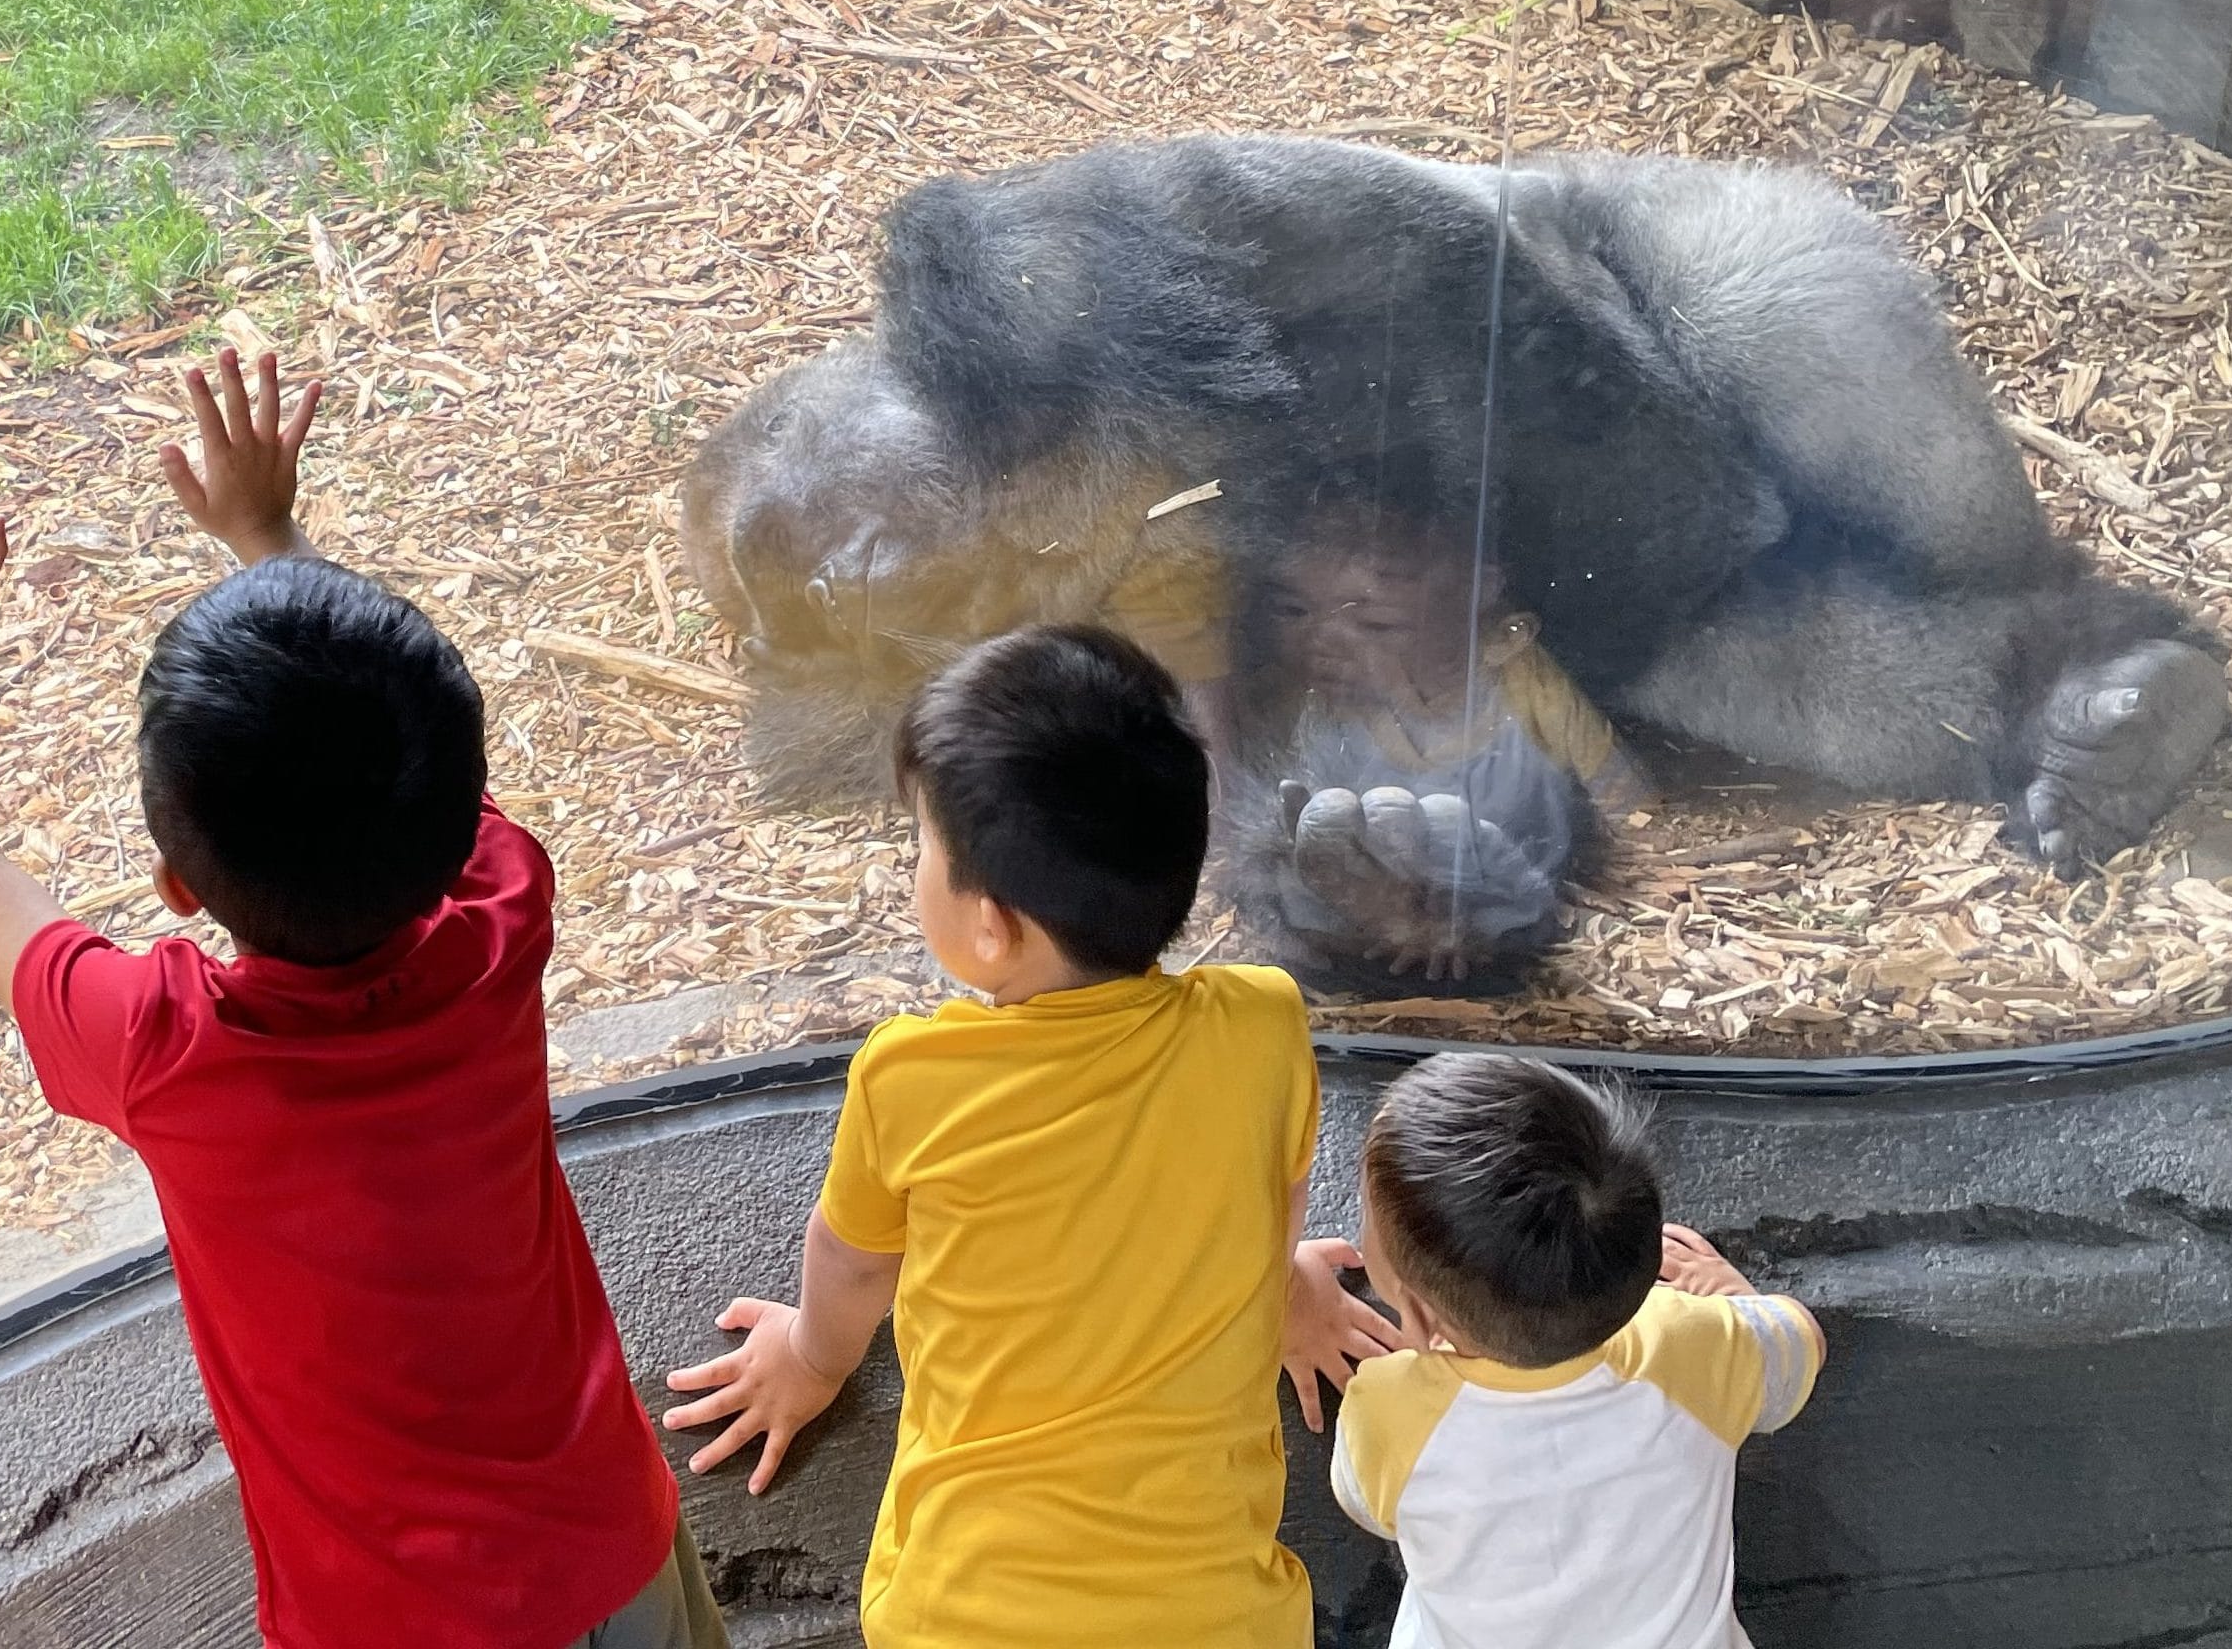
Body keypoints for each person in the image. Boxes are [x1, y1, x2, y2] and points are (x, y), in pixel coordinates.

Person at [0, 352, 724, 1649]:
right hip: (615, 1549)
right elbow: (406, 757)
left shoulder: (166, 1052)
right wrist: (266, 535)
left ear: (171, 882)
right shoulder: (500, 912)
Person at [660, 623, 1401, 1647]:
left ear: (993, 927)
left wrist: (812, 1357)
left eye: (921, 843)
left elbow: (854, 1265)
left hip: (960, 1614)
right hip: (1220, 1619)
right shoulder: (1264, 1024)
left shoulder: (914, 1079)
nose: (914, 861)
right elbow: (1267, 1198)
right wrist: (1287, 1295)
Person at [1315, 1053, 1826, 1649]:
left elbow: (1364, 1504)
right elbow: (1802, 1346)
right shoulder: (1697, 1345)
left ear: (1423, 1317)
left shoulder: (1389, 1407)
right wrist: (1733, 1300)